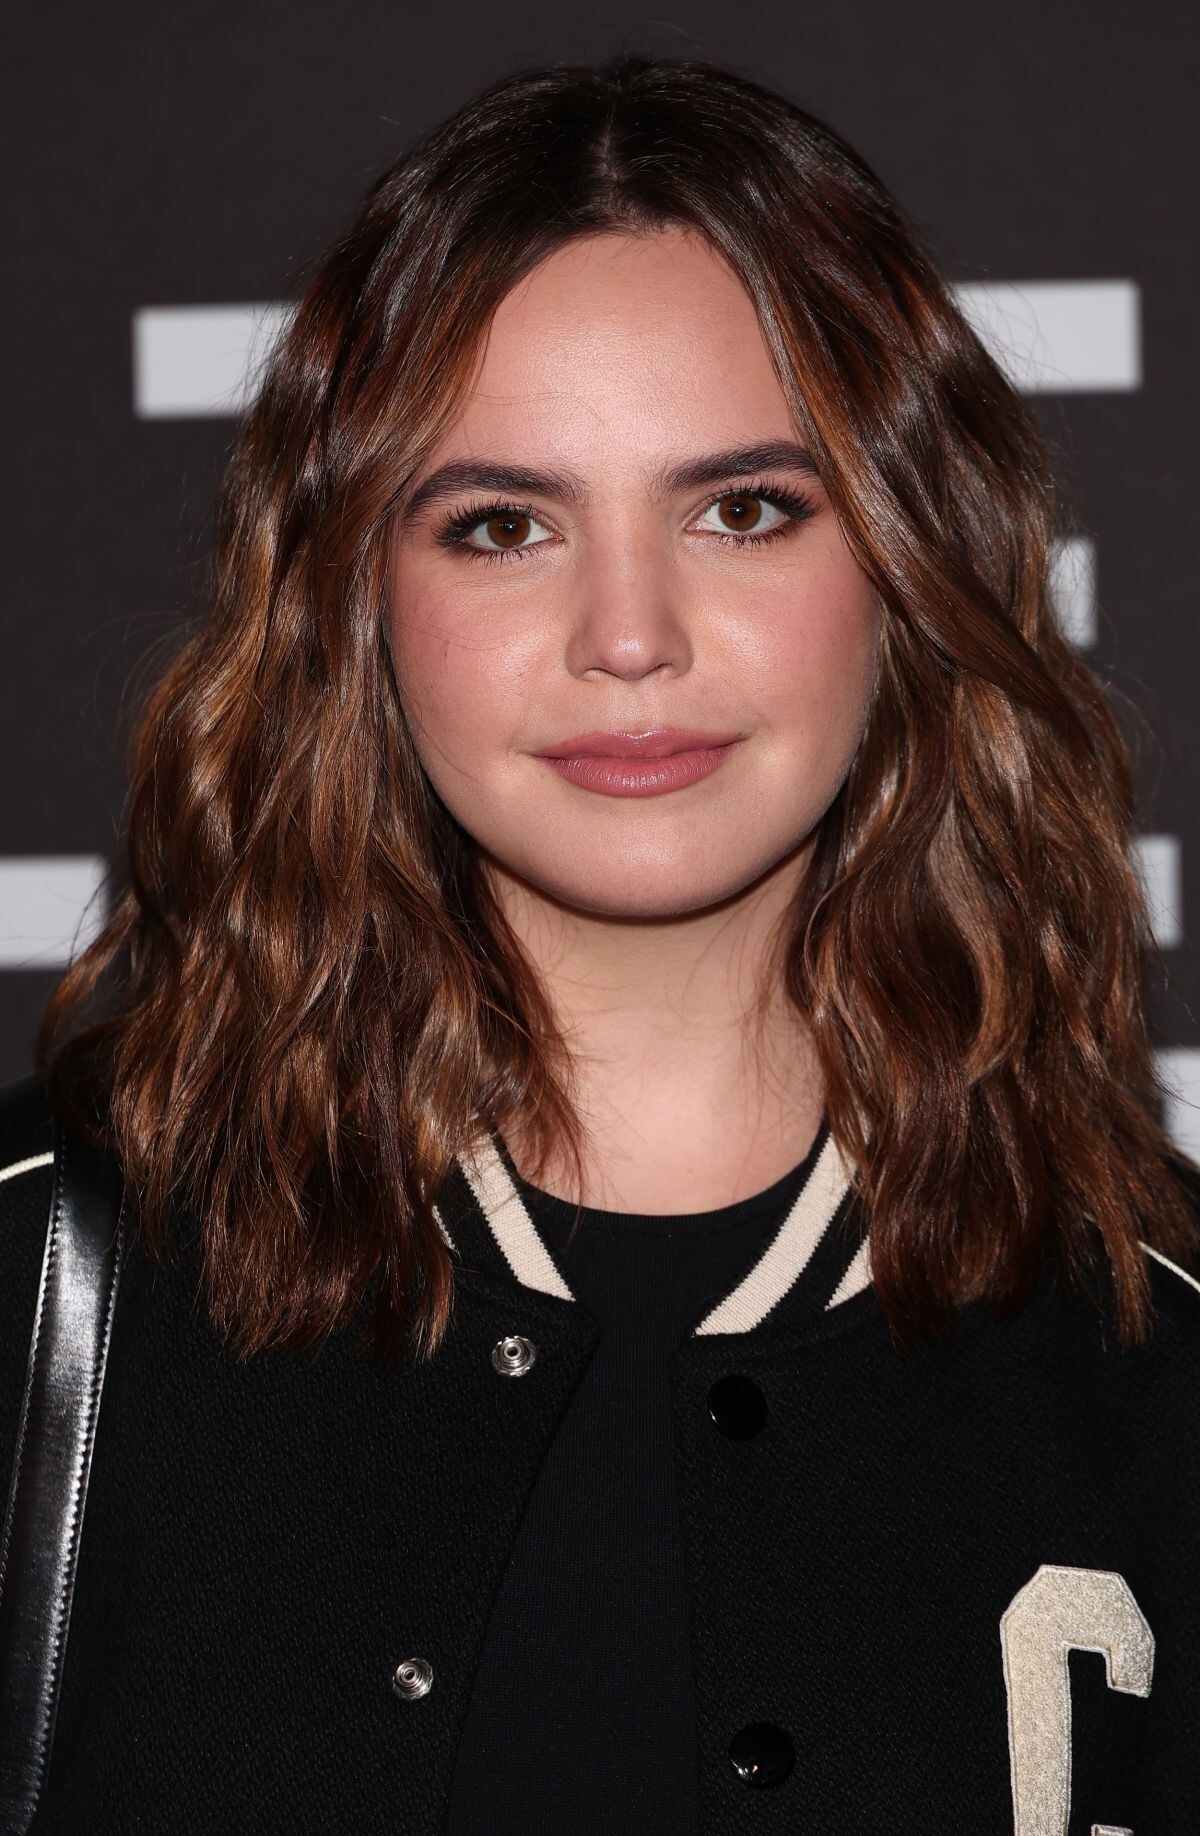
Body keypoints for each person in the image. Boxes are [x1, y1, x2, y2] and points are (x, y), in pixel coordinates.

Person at [1, 50, 1198, 1836]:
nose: (628, 634)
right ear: (358, 604)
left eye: (745, 509)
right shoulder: (48, 1279)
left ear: (910, 566)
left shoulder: (1156, 1348)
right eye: (502, 526)